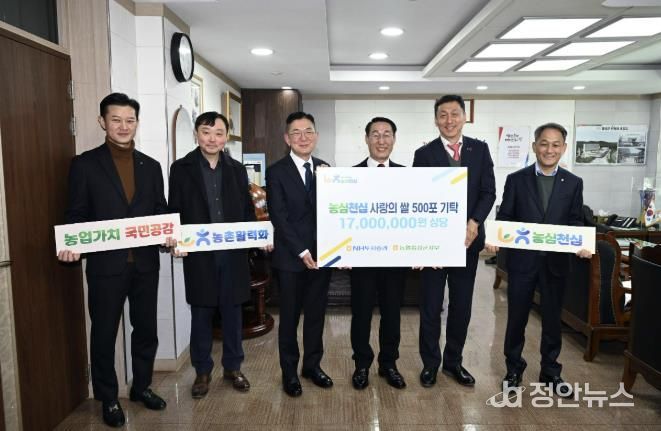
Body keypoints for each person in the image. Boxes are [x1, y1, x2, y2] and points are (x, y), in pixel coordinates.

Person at [57, 93, 168, 428]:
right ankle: (108, 397)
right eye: (116, 119)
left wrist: (170, 234)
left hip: (145, 264)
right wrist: (72, 242)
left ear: (137, 123)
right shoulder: (85, 164)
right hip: (106, 267)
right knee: (104, 333)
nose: (123, 126)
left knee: (146, 329)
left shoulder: (152, 166)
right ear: (102, 122)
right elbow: (76, 213)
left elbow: (160, 212)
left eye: (130, 120)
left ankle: (142, 387)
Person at [486, 123, 591, 397]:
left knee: (553, 320)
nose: (549, 149)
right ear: (534, 146)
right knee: (516, 318)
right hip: (523, 263)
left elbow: (575, 221)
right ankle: (513, 369)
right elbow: (506, 216)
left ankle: (551, 371)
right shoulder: (516, 180)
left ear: (564, 148)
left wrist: (581, 243)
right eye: (544, 143)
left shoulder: (573, 183)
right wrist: (496, 237)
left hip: (556, 264)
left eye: (556, 145)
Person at [168, 111, 255, 399]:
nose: (212, 139)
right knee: (201, 315)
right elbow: (174, 210)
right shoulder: (181, 169)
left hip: (232, 255)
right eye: (206, 132)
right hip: (200, 256)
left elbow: (247, 212)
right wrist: (175, 238)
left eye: (218, 133)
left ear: (226, 137)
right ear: (197, 135)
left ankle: (233, 367)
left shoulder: (237, 170)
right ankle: (202, 371)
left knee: (232, 314)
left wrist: (259, 237)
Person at [413, 94, 496, 388]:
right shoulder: (424, 154)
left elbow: (488, 191)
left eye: (454, 114)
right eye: (443, 115)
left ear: (464, 117)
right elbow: (418, 197)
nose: (449, 120)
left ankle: (453, 362)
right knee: (431, 306)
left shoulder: (480, 149)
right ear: (436, 120)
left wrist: (474, 221)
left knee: (461, 305)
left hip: (467, 242)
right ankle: (430, 364)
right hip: (434, 246)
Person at [266, 111, 333, 397]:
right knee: (290, 318)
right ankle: (290, 373)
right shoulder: (276, 171)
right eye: (296, 132)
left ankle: (312, 366)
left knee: (316, 316)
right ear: (287, 138)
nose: (303, 137)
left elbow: (333, 211)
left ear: (316, 136)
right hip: (290, 258)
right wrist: (301, 250)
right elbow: (279, 217)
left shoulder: (325, 169)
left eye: (308, 132)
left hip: (322, 256)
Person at [350, 117, 407, 390]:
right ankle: (361, 364)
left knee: (392, 314)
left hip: (395, 259)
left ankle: (389, 364)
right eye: (375, 134)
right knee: (361, 314)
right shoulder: (350, 176)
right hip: (362, 258)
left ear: (394, 139)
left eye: (386, 135)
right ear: (366, 139)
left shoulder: (408, 177)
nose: (381, 140)